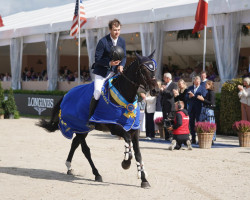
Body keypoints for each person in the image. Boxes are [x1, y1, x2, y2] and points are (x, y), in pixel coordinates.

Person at [87, 18, 126, 128]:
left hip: (115, 73)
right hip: (102, 72)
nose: (117, 32)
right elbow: (97, 59)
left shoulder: (122, 41)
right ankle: (91, 118)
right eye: (114, 30)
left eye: (118, 29)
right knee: (97, 93)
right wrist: (109, 63)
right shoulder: (103, 42)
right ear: (110, 29)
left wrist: (121, 65)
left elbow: (124, 56)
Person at [185, 76, 207, 144]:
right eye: (196, 81)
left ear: (200, 82)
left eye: (198, 81)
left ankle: (200, 139)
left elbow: (204, 96)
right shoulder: (190, 88)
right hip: (191, 108)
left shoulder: (202, 88)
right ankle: (193, 138)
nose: (197, 82)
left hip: (199, 108)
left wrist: (196, 96)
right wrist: (189, 96)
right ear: (194, 81)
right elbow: (186, 97)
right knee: (191, 124)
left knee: (199, 123)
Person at [160, 73, 177, 140]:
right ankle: (166, 136)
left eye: (164, 78)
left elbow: (171, 94)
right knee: (165, 121)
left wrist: (164, 90)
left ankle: (171, 135)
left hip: (170, 106)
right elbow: (162, 94)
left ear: (168, 78)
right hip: (164, 105)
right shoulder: (164, 85)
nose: (163, 79)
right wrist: (161, 90)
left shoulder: (173, 85)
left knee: (170, 120)